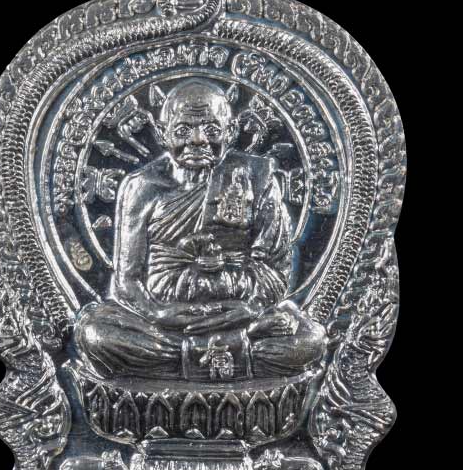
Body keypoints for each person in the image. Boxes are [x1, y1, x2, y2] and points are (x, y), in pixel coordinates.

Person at [74, 78, 326, 380]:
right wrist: (158, 313)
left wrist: (252, 308)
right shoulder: (142, 186)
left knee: (310, 339)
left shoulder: (256, 177)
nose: (197, 140)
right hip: (164, 322)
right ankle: (235, 352)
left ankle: (177, 363)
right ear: (162, 134)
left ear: (231, 132)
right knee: (95, 333)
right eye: (183, 130)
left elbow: (275, 268)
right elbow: (127, 281)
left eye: (212, 130)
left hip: (240, 311)